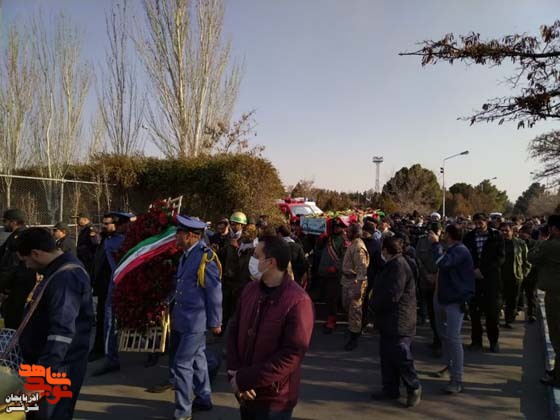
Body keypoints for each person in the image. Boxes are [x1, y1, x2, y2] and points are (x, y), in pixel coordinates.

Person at [227, 235, 314, 420]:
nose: (252, 259)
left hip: (274, 399)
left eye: (257, 256)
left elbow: (292, 354)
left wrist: (247, 378)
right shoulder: (250, 290)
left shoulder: (298, 301)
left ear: (271, 262)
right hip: (245, 391)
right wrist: (235, 372)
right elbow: (234, 328)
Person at [16, 227, 93, 420]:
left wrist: (40, 378)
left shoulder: (66, 277)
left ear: (36, 253)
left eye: (25, 260)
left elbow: (61, 334)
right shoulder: (57, 272)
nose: (26, 266)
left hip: (57, 369)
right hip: (49, 365)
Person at [170, 215, 222, 420]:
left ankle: (183, 411)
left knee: (182, 363)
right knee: (198, 358)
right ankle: (204, 397)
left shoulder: (205, 257)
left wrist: (216, 321)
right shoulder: (187, 254)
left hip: (195, 320)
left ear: (191, 236)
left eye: (179, 233)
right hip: (183, 318)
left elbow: (214, 292)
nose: (176, 236)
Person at [370, 236, 422, 408]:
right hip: (389, 320)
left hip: (399, 320)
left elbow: (393, 294)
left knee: (401, 356)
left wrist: (374, 304)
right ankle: (390, 389)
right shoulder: (392, 264)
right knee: (387, 356)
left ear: (386, 250)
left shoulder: (399, 265)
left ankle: (413, 386)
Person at [429, 224, 475, 394]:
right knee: (445, 336)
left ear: (449, 235)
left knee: (453, 338)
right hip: (443, 298)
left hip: (454, 301)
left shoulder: (460, 251)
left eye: (444, 234)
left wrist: (435, 244)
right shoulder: (452, 249)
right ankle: (449, 366)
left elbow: (441, 262)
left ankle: (457, 379)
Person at [91, 211, 135, 374]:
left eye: (107, 223)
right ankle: (111, 358)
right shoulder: (109, 240)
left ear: (119, 225)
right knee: (109, 322)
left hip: (126, 284)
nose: (104, 226)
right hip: (114, 284)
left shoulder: (122, 240)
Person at [463, 212, 505, 353]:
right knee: (474, 312)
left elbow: (500, 258)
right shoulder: (469, 237)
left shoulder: (496, 236)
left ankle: (493, 341)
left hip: (491, 279)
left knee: (492, 313)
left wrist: (483, 271)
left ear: (486, 222)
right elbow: (466, 256)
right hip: (474, 278)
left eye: (480, 223)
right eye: (476, 223)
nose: (478, 225)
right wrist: (474, 270)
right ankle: (476, 341)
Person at [529, 214, 560, 387]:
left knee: (556, 336)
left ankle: (558, 376)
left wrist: (540, 242)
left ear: (554, 228)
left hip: (555, 295)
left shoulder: (550, 245)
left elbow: (532, 258)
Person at [0, 208, 36, 329]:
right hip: (16, 281)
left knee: (13, 316)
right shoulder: (15, 236)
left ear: (13, 222)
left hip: (18, 282)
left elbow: (12, 265)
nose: (4, 224)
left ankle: (15, 339)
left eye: (5, 221)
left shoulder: (20, 237)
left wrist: (4, 288)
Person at [340, 223, 369, 351]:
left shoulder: (358, 247)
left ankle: (354, 337)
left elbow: (362, 268)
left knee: (355, 311)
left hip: (355, 283)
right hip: (348, 281)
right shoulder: (353, 244)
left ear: (355, 233)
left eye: (349, 231)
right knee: (348, 308)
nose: (346, 233)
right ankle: (352, 329)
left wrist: (359, 286)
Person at [416, 221, 443, 356]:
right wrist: (426, 274)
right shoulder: (422, 242)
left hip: (441, 283)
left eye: (435, 231)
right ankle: (436, 339)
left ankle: (441, 342)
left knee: (441, 315)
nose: (431, 234)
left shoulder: (445, 242)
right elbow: (418, 259)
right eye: (430, 231)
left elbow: (445, 261)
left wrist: (436, 276)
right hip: (426, 281)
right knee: (432, 314)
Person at [316, 218, 347, 334]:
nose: (336, 228)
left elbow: (344, 257)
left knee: (333, 298)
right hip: (324, 271)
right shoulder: (328, 237)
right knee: (327, 298)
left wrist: (336, 267)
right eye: (334, 226)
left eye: (338, 227)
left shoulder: (344, 240)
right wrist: (320, 239)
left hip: (334, 274)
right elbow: (318, 250)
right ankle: (329, 318)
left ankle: (332, 321)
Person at [499, 222, 531, 328]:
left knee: (513, 299)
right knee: (498, 299)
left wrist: (524, 273)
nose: (504, 232)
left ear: (512, 231)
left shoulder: (520, 243)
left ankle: (509, 320)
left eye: (506, 230)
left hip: (515, 276)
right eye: (502, 230)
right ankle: (495, 320)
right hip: (499, 276)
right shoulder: (497, 243)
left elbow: (527, 260)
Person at [518, 225, 539, 322]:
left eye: (523, 233)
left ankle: (532, 314)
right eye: (520, 233)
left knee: (531, 294)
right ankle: (518, 308)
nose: (521, 234)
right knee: (519, 292)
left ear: (528, 235)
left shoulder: (535, 244)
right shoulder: (517, 243)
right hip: (519, 272)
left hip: (532, 273)